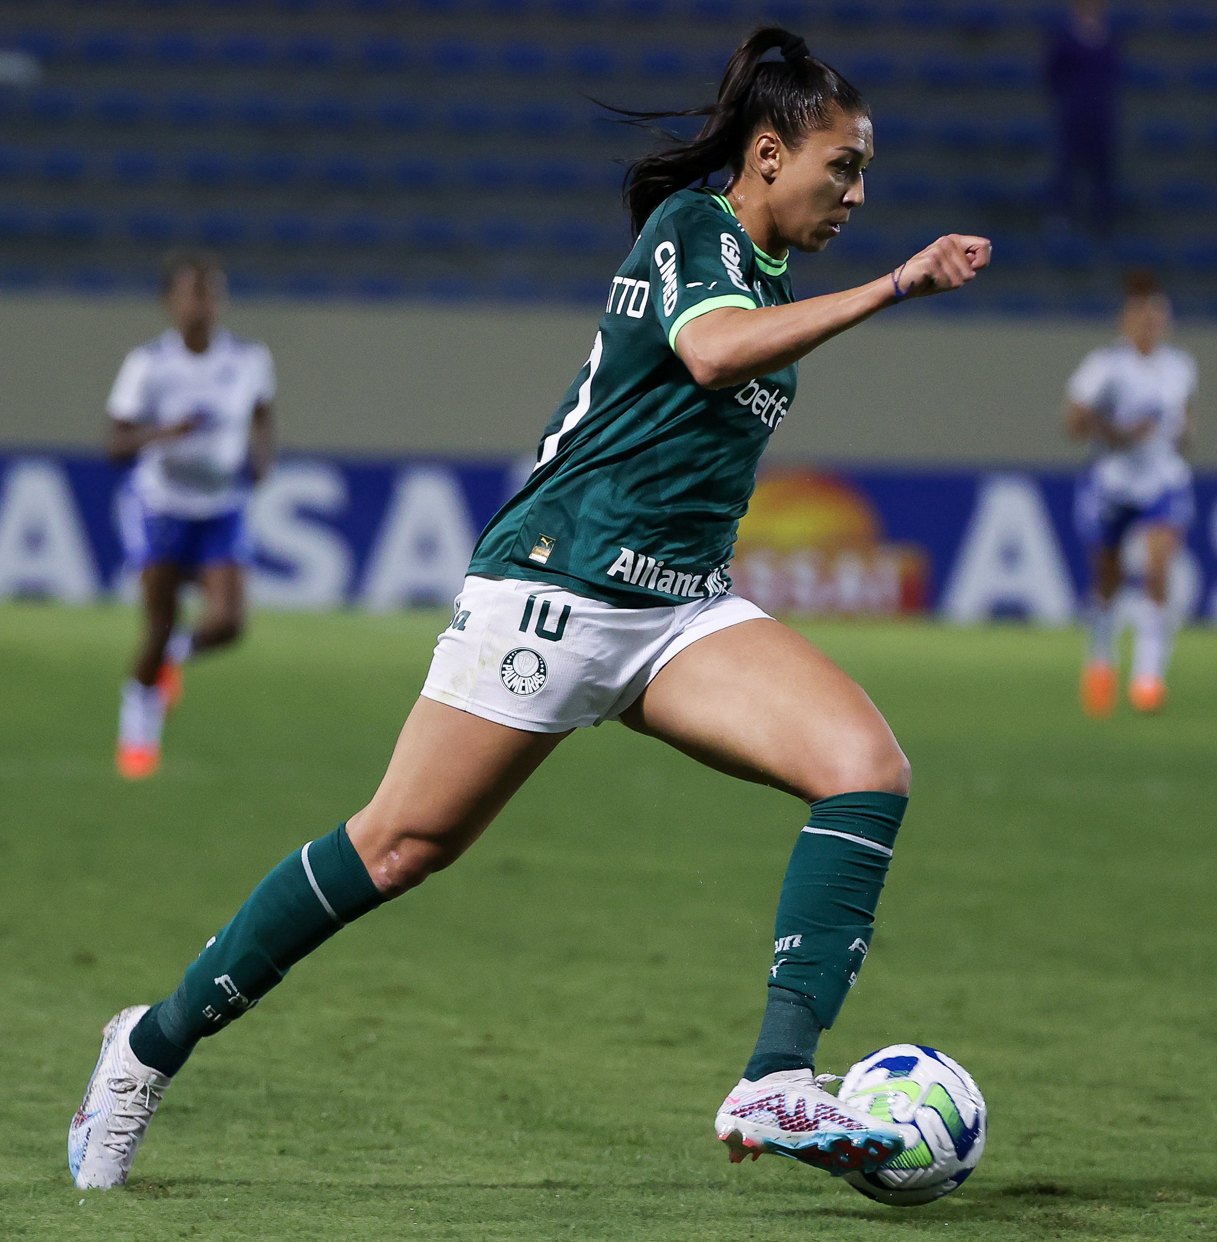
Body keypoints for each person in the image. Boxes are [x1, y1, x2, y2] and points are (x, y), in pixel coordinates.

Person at [69, 28, 990, 1190]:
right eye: (840, 168)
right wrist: (896, 285)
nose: (855, 194)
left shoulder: (765, 272)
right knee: (396, 848)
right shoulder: (692, 231)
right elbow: (711, 356)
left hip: (677, 611)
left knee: (864, 767)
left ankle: (777, 1077)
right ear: (767, 155)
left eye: (862, 175)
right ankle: (145, 1050)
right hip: (555, 590)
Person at [108, 250, 276, 779]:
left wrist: (262, 459)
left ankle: (175, 659)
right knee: (158, 625)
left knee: (228, 624)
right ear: (169, 302)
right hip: (162, 505)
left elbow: (263, 414)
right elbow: (114, 443)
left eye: (210, 293)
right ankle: (138, 730)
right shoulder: (149, 363)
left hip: (222, 505)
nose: (201, 305)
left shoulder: (248, 359)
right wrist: (165, 432)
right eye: (191, 294)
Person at [1068, 271, 1196, 716]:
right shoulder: (1106, 366)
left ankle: (1148, 677)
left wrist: (1180, 436)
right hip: (1114, 482)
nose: (1152, 325)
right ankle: (1101, 662)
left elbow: (1184, 420)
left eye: (1159, 317)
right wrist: (1120, 434)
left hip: (1162, 481)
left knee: (1158, 571)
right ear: (1128, 320)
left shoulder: (1180, 367)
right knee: (1108, 580)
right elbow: (1074, 422)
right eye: (1144, 317)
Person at [1044, 0, 1122, 236]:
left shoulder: (1108, 38)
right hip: (1074, 113)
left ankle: (1102, 223)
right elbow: (1053, 74)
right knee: (1068, 168)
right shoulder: (1066, 39)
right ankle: (1063, 219)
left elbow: (1114, 74)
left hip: (1101, 115)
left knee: (1102, 170)